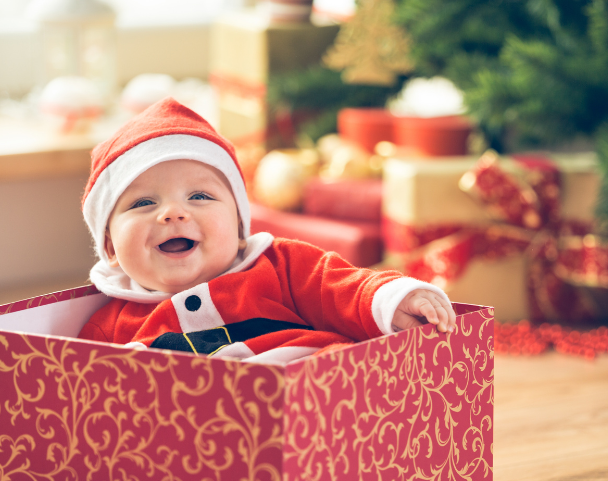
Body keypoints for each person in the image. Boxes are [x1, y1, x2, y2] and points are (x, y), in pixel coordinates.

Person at [78, 98, 456, 364]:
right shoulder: (110, 325)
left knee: (343, 363)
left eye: (199, 196)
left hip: (311, 381)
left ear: (240, 227)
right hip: (203, 429)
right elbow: (89, 388)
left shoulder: (279, 265)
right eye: (144, 203)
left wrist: (393, 299)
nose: (174, 214)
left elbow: (343, 286)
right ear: (109, 247)